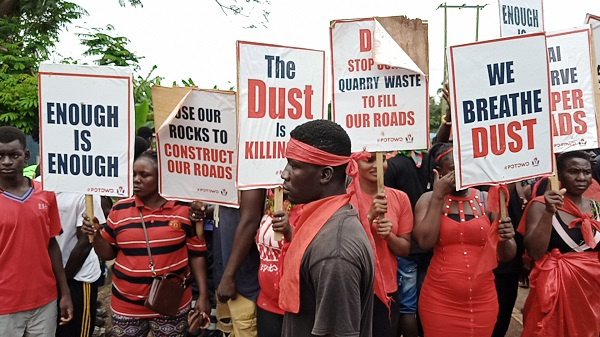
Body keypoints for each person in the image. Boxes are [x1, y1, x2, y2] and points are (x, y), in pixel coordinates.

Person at [81, 151, 210, 337]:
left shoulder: (184, 210)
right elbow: (109, 253)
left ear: (161, 178)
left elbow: (197, 254)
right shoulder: (119, 210)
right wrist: (96, 236)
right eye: (133, 174)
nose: (136, 180)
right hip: (126, 305)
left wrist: (203, 294)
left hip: (172, 304)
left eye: (144, 175)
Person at [278, 119, 374, 337]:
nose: (284, 174)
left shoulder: (334, 250)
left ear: (325, 175)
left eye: (294, 165)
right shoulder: (323, 223)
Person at [413, 143, 516, 337]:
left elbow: (507, 255)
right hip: (439, 301)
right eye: (453, 170)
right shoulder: (427, 200)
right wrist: (437, 196)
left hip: (483, 299)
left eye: (465, 168)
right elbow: (424, 241)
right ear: (439, 172)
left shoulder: (487, 200)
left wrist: (506, 237)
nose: (461, 175)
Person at [0, 125, 73, 336]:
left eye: (14, 155)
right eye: (1, 155)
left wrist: (64, 291)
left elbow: (51, 244)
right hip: (4, 305)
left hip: (44, 301)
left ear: (27, 156)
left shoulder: (45, 194)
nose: (6, 162)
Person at [519, 150, 600, 337]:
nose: (581, 177)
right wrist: (549, 212)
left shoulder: (596, 206)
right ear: (559, 175)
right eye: (573, 172)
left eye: (586, 172)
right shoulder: (540, 205)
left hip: (591, 296)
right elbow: (534, 252)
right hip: (555, 291)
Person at [348, 152, 412, 337]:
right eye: (369, 160)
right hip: (353, 289)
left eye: (382, 159)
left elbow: (405, 249)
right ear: (355, 163)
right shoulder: (344, 197)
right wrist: (369, 218)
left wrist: (389, 236)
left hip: (386, 290)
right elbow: (342, 242)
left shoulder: (400, 198)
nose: (377, 165)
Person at [190, 190, 264, 337]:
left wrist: (228, 276)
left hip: (242, 285)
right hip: (225, 281)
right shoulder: (228, 178)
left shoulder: (248, 174)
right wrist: (203, 212)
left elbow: (250, 221)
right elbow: (226, 211)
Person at [54, 192, 107, 337]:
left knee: (75, 331)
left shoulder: (87, 192)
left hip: (78, 277)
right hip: (48, 278)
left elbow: (84, 244)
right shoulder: (37, 186)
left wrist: (62, 284)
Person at [254, 190, 294, 337]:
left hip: (295, 308)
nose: (285, 175)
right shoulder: (267, 199)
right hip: (267, 302)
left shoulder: (310, 205)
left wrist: (290, 232)